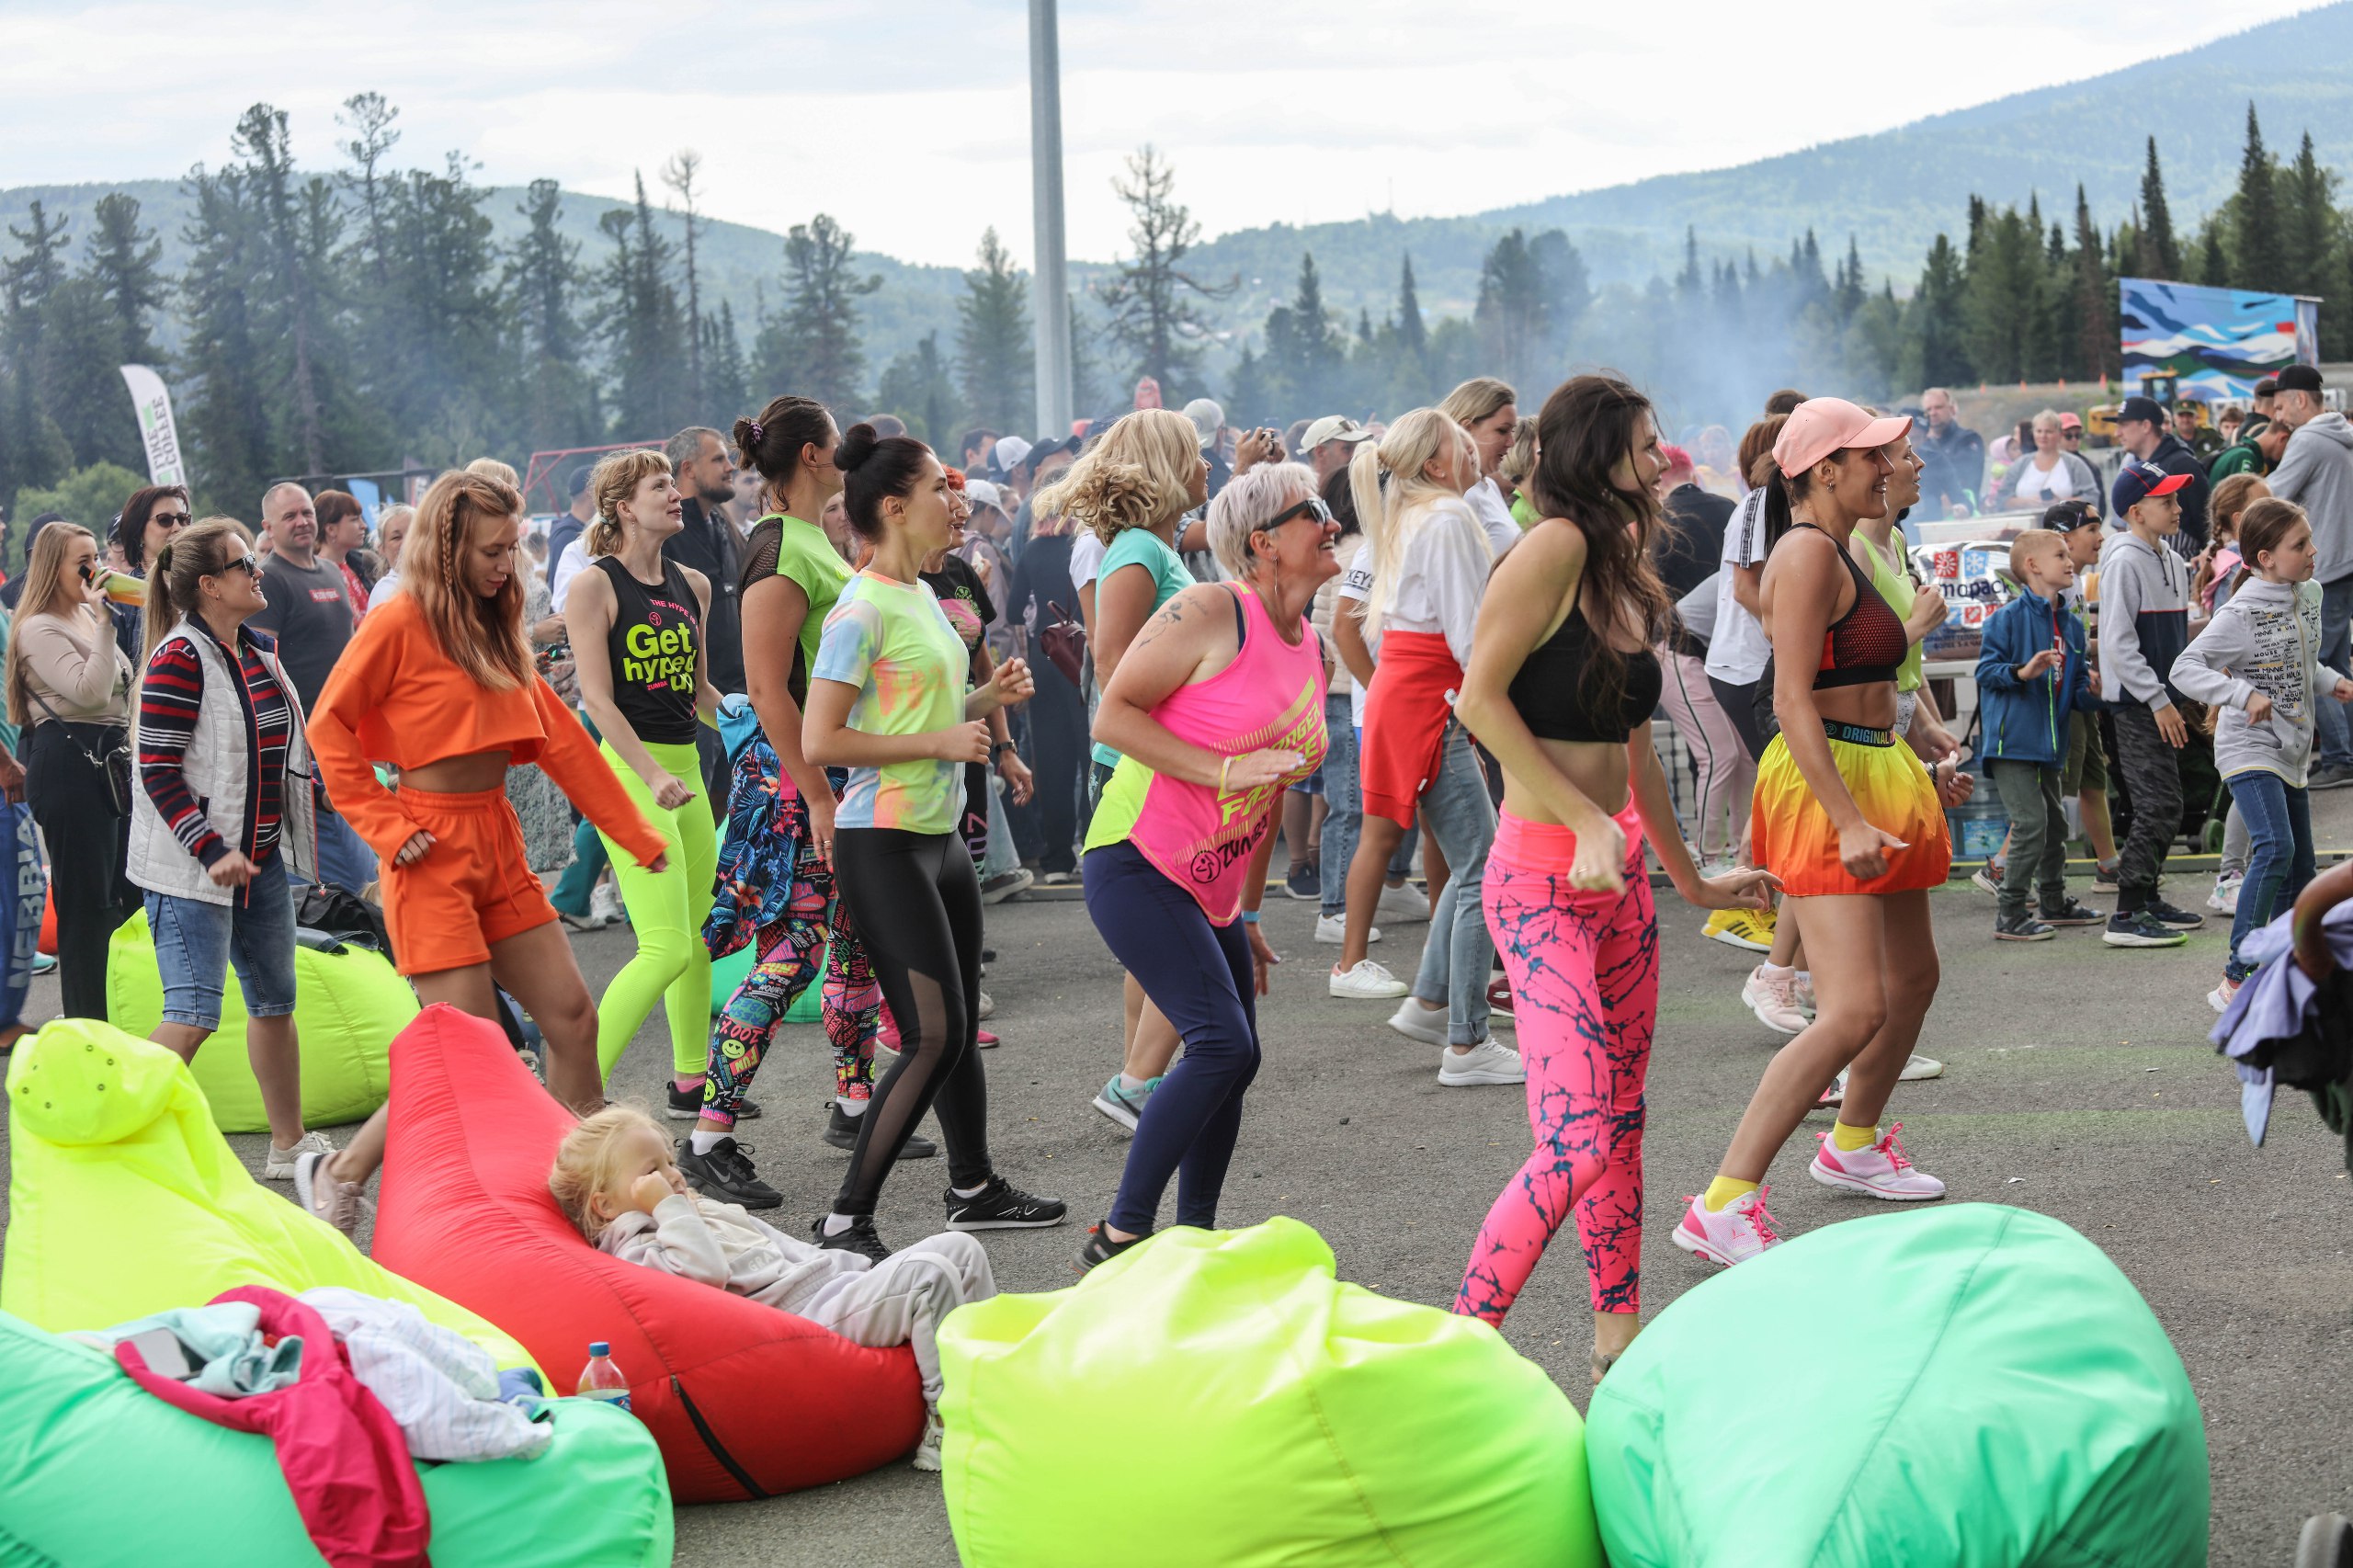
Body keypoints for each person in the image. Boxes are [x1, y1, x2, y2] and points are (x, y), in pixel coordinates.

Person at [1450, 374, 1775, 1371]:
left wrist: (1690, 877)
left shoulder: (1628, 566)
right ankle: (1456, 1345)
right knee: (1578, 1138)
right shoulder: (1551, 547)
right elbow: (1477, 699)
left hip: (1622, 887)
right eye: (1644, 445)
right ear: (1598, 457)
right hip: (1541, 884)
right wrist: (1582, 818)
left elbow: (1637, 755)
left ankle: (1616, 1341)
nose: (1662, 459)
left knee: (1623, 1128)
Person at [290, 469, 669, 1236]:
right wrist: (389, 830)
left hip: (495, 836)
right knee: (471, 1053)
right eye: (492, 550)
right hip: (426, 847)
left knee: (571, 1019)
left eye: (513, 549)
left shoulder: (496, 624)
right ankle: (343, 1170)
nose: (507, 563)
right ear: (449, 546)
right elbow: (327, 729)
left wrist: (635, 836)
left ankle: (579, 1187)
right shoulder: (397, 624)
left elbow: (563, 742)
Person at [1676, 398, 1951, 1268]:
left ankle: (1855, 1144)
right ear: (1824, 469)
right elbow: (1788, 697)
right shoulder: (1801, 552)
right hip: (1826, 781)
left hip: (1875, 765)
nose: (1888, 467)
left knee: (1913, 978)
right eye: (1873, 455)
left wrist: (1920, 751)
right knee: (1855, 1008)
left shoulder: (1841, 548)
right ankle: (1723, 1201)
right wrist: (1845, 816)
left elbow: (1867, 674)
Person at [801, 423, 1063, 1258]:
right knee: (932, 1035)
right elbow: (821, 741)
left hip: (938, 835)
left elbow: (916, 712)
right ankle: (846, 1220)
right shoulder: (861, 607)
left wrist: (986, 698)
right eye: (937, 493)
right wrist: (943, 742)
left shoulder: (923, 591)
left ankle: (975, 1186)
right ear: (893, 507)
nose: (954, 503)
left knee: (955, 1028)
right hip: (881, 843)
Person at [1075, 461, 1331, 1268]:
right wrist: (1218, 770)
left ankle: (1193, 1240)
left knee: (1239, 1053)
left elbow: (1266, 801)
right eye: (1312, 511)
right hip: (1136, 858)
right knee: (1219, 1042)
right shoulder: (1214, 609)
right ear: (1264, 543)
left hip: (1209, 884)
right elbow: (1112, 712)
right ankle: (1120, 1235)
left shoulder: (1311, 642)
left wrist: (1244, 913)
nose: (1331, 521)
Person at [683, 395, 897, 1206]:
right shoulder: (776, 547)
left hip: (827, 774)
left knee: (853, 941)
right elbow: (768, 690)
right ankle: (708, 1137)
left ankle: (853, 1102)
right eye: (835, 439)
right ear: (811, 456)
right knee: (794, 951)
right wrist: (813, 795)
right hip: (794, 781)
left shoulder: (807, 538)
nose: (843, 448)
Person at [551, 1105, 995, 1471]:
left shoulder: (695, 1211)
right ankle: (948, 1420)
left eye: (670, 1161)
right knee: (931, 1272)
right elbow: (704, 1276)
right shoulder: (639, 1248)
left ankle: (992, 1383)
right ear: (606, 1205)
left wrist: (859, 1270)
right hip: (803, 1320)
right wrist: (669, 1210)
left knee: (961, 1247)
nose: (674, 1175)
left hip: (833, 1290)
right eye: (653, 1171)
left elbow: (787, 1248)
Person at [129, 517, 330, 1179]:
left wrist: (315, 795)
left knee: (275, 1003)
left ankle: (288, 1145)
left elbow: (274, 747)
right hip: (196, 871)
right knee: (191, 1016)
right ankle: (117, 1144)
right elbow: (156, 767)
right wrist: (210, 848)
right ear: (211, 586)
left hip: (259, 862)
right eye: (246, 563)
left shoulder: (255, 648)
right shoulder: (179, 657)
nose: (259, 570)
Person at [1330, 409, 1522, 1085]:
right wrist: (1500, 707)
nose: (1474, 452)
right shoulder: (1444, 518)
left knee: (1475, 861)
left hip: (1415, 696)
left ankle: (1433, 1001)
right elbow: (1471, 635)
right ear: (1438, 464)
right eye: (1462, 443)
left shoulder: (1414, 514)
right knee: (1482, 868)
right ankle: (1466, 1040)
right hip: (1433, 700)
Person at [1033, 409, 1210, 1132]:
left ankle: (1141, 1083)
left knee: (1155, 943)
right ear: (1167, 465)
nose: (1207, 468)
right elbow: (1116, 664)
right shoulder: (1138, 548)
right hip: (1146, 764)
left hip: (1144, 759)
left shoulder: (1147, 544)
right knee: (1181, 937)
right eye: (1196, 456)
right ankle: (1138, 1084)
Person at [563, 449, 723, 1086]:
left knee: (702, 937)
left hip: (685, 773)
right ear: (624, 506)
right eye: (660, 487)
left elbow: (701, 692)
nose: (674, 494)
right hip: (633, 778)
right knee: (664, 948)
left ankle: (691, 1080)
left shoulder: (696, 585)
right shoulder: (594, 585)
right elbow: (597, 700)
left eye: (672, 485)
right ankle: (571, 1093)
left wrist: (759, 730)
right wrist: (652, 776)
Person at [2172, 498, 2353, 1013]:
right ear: (2265, 557)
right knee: (2274, 848)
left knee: (2301, 871)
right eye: (2301, 545)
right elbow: (2184, 669)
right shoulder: (2241, 613)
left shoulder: (2309, 594)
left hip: (2292, 749)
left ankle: (2291, 970)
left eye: (2310, 539)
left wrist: (2335, 682)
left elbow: (2301, 665)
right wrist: (2240, 695)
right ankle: (2237, 974)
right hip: (2248, 746)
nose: (2314, 551)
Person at [7, 523, 137, 1018]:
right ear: (52, 569)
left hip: (106, 763)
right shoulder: (39, 626)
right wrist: (106, 625)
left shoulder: (83, 613)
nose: (95, 570)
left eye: (95, 558)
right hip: (69, 765)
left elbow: (123, 682)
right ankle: (88, 1024)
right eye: (83, 562)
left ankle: (116, 1015)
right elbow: (89, 692)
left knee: (118, 898)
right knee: (85, 909)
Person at [2097, 457, 2208, 948]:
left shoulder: (2173, 559)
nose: (2178, 508)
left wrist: (2183, 694)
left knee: (2168, 801)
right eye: (2167, 501)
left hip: (2161, 699)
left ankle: (2146, 897)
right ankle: (2125, 913)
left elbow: (2175, 639)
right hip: (2135, 703)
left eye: (2176, 499)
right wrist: (2160, 699)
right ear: (2136, 512)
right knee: (2158, 804)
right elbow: (2119, 643)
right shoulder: (2122, 560)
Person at [1973, 529, 2104, 942]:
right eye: (2060, 554)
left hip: (2050, 744)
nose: (2069, 561)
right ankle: (2010, 912)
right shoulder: (2005, 619)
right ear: (2032, 566)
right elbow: (1985, 672)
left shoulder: (2071, 625)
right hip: (2011, 743)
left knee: (2054, 822)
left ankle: (2053, 901)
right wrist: (2022, 672)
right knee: (2031, 822)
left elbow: (2077, 688)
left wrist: (2092, 693)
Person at [1653, 444, 1750, 870]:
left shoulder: (1658, 521)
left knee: (1736, 755)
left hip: (1690, 648)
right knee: (1724, 754)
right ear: (1693, 470)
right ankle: (1711, 855)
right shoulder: (1730, 511)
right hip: (1681, 650)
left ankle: (1744, 850)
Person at [2261, 365, 2353, 789]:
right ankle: (2344, 753)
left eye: (2280, 406)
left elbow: (2270, 497)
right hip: (2344, 562)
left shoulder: (2309, 439)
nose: (2277, 417)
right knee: (2334, 662)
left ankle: (2339, 757)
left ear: (2300, 400)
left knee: (2313, 663)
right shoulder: (2341, 433)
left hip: (2327, 566)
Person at [1005, 505, 1086, 883]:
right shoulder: (1083, 546)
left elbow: (1014, 610)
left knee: (1051, 758)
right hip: (1083, 653)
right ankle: (1096, 844)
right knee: (1092, 753)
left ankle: (1056, 860)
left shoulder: (1031, 553)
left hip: (1045, 655)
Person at [2047, 502, 2124, 885]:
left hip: (2081, 694)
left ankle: (2109, 865)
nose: (2101, 537)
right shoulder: (2054, 587)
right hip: (2062, 699)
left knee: (2094, 777)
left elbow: (2078, 640)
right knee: (2055, 786)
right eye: (2092, 529)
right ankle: (2006, 865)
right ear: (2064, 537)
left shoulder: (2076, 581)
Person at [663, 426, 747, 699]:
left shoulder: (724, 525)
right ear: (688, 469)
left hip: (741, 694)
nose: (730, 467)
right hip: (695, 700)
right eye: (718, 459)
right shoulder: (666, 536)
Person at [2115, 395, 2212, 552]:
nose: (2117, 433)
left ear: (2146, 426)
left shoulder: (2182, 465)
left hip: (2183, 567)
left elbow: (2207, 524)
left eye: (2124, 425)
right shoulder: (2137, 464)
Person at [1440, 377, 1524, 557]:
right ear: (1467, 429)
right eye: (1502, 430)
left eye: (1513, 431)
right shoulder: (1460, 496)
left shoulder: (1489, 486)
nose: (1511, 442)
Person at [108, 484, 193, 661]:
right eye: (164, 520)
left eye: (183, 518)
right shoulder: (122, 594)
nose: (178, 527)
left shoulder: (203, 583)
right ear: (139, 531)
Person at [1996, 410, 2100, 514]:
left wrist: (2062, 503)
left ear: (2060, 434)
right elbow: (2001, 499)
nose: (2043, 436)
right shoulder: (2020, 464)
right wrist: (2026, 502)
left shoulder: (2075, 464)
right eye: (2039, 431)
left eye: (2048, 431)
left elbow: (2092, 497)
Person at [1915, 387, 1984, 517]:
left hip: (1961, 509)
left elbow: (1965, 476)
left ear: (1952, 409)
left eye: (1938, 407)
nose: (1933, 413)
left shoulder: (1968, 439)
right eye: (1928, 409)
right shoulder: (1922, 444)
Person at [314, 491, 373, 624]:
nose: (363, 525)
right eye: (354, 519)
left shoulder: (350, 567)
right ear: (331, 529)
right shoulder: (320, 574)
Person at [2209, 413, 2291, 486]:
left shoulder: (2243, 451)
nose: (2286, 452)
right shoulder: (2245, 456)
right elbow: (2243, 499)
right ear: (2283, 438)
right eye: (2289, 446)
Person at [1297, 415, 1374, 486]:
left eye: (1357, 448)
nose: (1355, 455)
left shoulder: (1358, 492)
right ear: (1320, 452)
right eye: (1347, 449)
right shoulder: (1299, 497)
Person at [368, 505, 415, 608]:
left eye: (413, 533)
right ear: (382, 549)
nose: (407, 542)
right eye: (396, 537)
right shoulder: (386, 590)